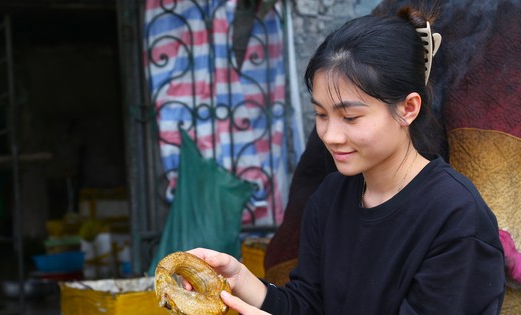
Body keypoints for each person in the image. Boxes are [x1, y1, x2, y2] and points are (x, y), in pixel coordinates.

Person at [187, 5, 506, 315]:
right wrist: (239, 278)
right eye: (321, 114)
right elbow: (308, 304)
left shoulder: (455, 215)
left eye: (350, 117)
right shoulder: (330, 198)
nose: (329, 135)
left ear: (408, 109)